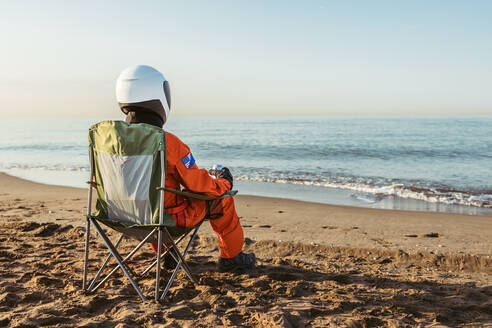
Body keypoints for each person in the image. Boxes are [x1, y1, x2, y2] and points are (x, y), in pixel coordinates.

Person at [115, 65, 256, 272]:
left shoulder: (111, 140)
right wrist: (224, 181)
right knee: (222, 199)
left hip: (121, 215)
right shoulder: (167, 142)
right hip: (165, 220)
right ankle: (232, 258)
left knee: (153, 200)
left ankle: (167, 254)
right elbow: (199, 186)